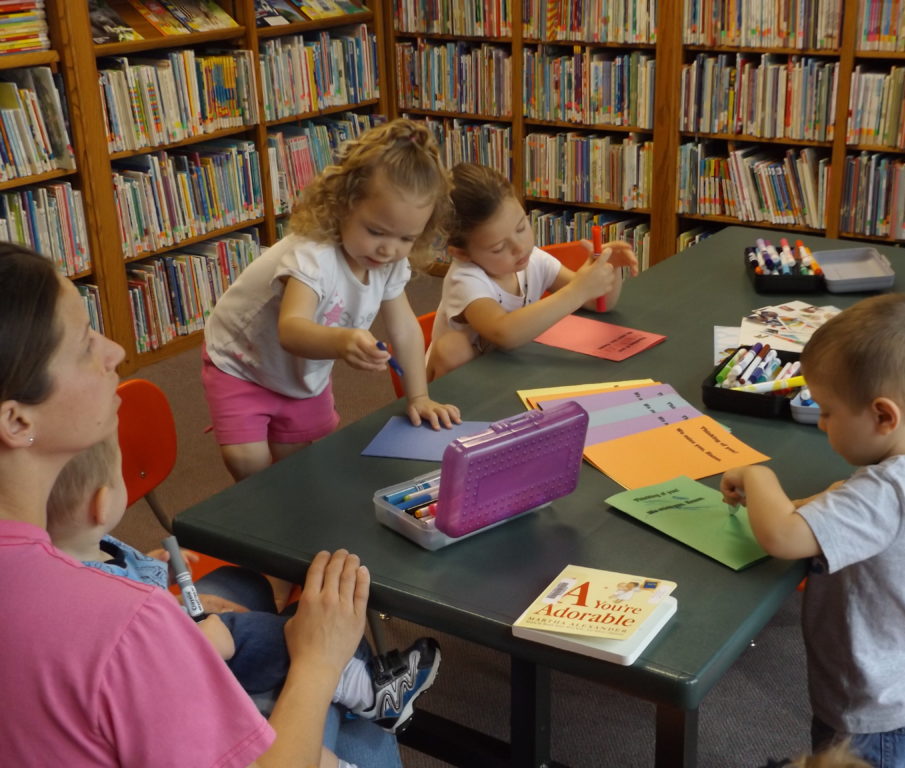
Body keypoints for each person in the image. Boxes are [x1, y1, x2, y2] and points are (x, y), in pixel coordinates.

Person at [0, 243, 391, 767]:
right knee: (367, 737)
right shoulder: (123, 625)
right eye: (83, 343)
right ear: (17, 421)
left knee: (245, 589)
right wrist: (318, 662)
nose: (113, 350)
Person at [45, 433, 441, 736]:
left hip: (164, 634)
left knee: (249, 588)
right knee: (278, 630)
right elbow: (133, 648)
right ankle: (367, 689)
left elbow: (125, 587)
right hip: (166, 671)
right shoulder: (95, 595)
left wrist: (161, 576)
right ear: (101, 503)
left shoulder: (84, 549)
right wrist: (194, 628)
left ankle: (343, 667)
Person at [720, 293, 905, 767]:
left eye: (828, 411)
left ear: (883, 416)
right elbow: (845, 502)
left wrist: (759, 474)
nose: (821, 424)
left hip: (879, 721)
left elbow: (782, 538)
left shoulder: (888, 492)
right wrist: (796, 505)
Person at [202, 118, 461, 482]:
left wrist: (418, 396)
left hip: (301, 374)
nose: (388, 249)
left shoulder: (387, 260)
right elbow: (291, 329)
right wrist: (341, 341)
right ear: (343, 205)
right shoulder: (313, 255)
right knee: (250, 465)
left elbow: (404, 329)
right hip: (243, 363)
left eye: (406, 238)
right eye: (375, 231)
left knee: (301, 465)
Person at [426, 162, 639, 379]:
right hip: (459, 384)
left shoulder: (534, 261)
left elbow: (598, 303)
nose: (520, 247)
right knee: (453, 348)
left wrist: (609, 268)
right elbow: (504, 332)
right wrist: (578, 290)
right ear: (462, 254)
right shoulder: (465, 279)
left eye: (521, 227)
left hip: (505, 371)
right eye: (499, 247)